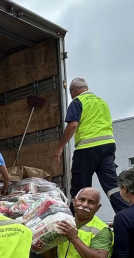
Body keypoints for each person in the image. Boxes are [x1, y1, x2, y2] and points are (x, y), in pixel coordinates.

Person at [52, 78, 128, 213]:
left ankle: (75, 220)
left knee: (80, 188)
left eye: (71, 93)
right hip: (108, 147)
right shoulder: (102, 102)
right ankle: (129, 216)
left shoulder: (77, 102)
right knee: (112, 186)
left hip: (87, 148)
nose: (71, 96)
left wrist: (59, 147)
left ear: (74, 90)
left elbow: (73, 125)